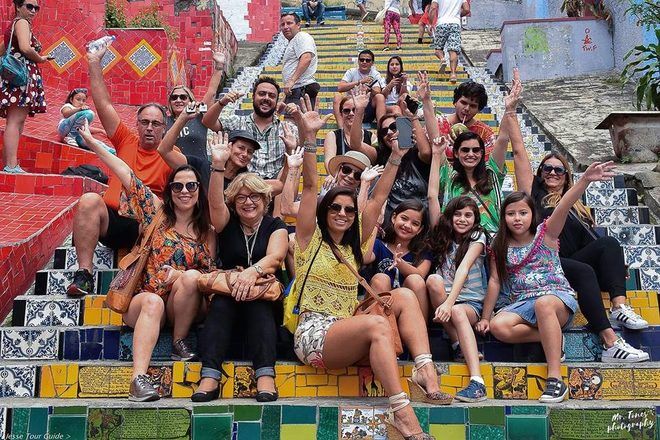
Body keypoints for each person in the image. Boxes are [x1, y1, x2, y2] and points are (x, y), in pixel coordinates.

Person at [292, 94, 449, 440]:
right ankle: (402, 415)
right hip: (314, 335)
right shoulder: (308, 239)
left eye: (349, 211)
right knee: (377, 324)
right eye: (336, 209)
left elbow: (377, 200)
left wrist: (395, 156)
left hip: (349, 326)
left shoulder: (356, 244)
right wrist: (309, 140)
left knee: (406, 297)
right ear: (324, 211)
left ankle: (425, 372)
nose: (343, 214)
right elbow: (310, 186)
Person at [77, 120, 214, 402]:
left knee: (188, 278)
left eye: (191, 186)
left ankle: (179, 340)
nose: (184, 191)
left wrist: (179, 276)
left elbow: (208, 273)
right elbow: (125, 172)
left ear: (200, 190)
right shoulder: (157, 212)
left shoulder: (206, 231)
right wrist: (93, 143)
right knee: (152, 301)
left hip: (182, 305)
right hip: (145, 302)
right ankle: (138, 380)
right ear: (170, 191)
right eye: (177, 187)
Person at [488, 161, 616, 403]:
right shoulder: (499, 245)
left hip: (555, 299)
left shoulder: (545, 234)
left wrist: (584, 180)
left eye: (523, 213)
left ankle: (555, 380)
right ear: (503, 217)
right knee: (499, 327)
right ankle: (552, 336)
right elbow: (495, 281)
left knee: (544, 304)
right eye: (511, 213)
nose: (517, 219)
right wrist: (486, 317)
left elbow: (565, 205)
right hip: (523, 304)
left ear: (532, 215)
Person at [513, 152, 649, 362]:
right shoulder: (534, 198)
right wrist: (511, 117)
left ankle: (619, 307)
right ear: (539, 174)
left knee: (609, 243)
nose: (552, 173)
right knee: (583, 271)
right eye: (547, 168)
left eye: (559, 170)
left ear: (566, 176)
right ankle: (609, 342)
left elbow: (591, 244)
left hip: (573, 263)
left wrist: (613, 267)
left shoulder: (580, 208)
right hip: (547, 264)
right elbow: (520, 155)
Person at [66, 42, 172, 297]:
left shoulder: (172, 156)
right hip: (111, 222)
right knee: (90, 199)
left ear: (164, 128)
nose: (149, 127)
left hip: (143, 229)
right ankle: (84, 274)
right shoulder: (125, 139)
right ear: (136, 123)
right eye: (144, 122)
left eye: (155, 124)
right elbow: (103, 104)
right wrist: (94, 63)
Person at [191, 133, 288, 403]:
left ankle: (265, 375)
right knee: (221, 306)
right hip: (229, 291)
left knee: (258, 306)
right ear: (233, 202)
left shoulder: (274, 226)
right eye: (242, 197)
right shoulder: (226, 222)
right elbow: (213, 204)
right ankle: (210, 376)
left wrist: (250, 273)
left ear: (265, 201)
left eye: (255, 196)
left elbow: (276, 258)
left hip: (263, 292)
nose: (249, 202)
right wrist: (218, 165)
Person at [421, 70, 524, 235]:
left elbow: (503, 139)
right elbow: (435, 143)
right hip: (457, 239)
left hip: (489, 238)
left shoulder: (491, 174)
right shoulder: (449, 176)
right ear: (456, 153)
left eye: (476, 150)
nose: (471, 154)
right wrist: (426, 100)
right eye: (465, 150)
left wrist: (510, 109)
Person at [427, 183, 493, 402]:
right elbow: (431, 197)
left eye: (468, 215)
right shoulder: (443, 236)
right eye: (458, 214)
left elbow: (464, 268)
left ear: (475, 219)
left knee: (456, 311)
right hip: (447, 298)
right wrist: (437, 156)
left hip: (470, 303)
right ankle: (458, 344)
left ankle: (477, 381)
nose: (463, 219)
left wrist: (448, 304)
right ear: (450, 216)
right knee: (433, 280)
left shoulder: (477, 237)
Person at [158, 107, 285, 195]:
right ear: (228, 146)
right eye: (241, 148)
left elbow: (279, 185)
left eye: (250, 152)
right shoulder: (202, 167)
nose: (245, 154)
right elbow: (165, 150)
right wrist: (183, 118)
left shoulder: (245, 180)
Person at [351, 86, 432, 221]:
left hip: (418, 223)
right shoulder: (380, 155)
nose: (389, 133)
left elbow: (427, 153)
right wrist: (359, 111)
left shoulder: (416, 153)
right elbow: (355, 144)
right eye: (384, 131)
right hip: (389, 224)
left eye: (393, 127)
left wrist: (412, 118)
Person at [202, 77, 298, 180]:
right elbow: (207, 122)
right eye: (262, 94)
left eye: (272, 96)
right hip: (242, 187)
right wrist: (222, 102)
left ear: (276, 101)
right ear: (253, 97)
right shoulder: (237, 122)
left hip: (277, 187)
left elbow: (305, 146)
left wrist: (299, 117)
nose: (266, 98)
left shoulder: (287, 129)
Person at [0, 0, 48, 173]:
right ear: (18, 7)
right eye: (29, 6)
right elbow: (26, 49)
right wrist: (40, 58)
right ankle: (11, 165)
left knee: (15, 121)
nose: (33, 10)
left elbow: (3, 49)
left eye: (36, 7)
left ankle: (8, 163)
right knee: (16, 121)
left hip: (15, 78)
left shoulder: (14, 26)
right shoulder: (22, 22)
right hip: (21, 77)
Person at [366, 199, 433, 316]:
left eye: (415, 223)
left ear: (420, 230)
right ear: (393, 218)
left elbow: (420, 274)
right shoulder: (379, 244)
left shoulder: (423, 250)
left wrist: (400, 263)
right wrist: (377, 223)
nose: (407, 225)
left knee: (415, 280)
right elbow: (365, 258)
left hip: (409, 311)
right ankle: (379, 328)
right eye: (404, 218)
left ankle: (420, 330)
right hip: (381, 305)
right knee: (381, 278)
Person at [164, 49, 226, 162]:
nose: (178, 100)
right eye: (174, 97)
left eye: (183, 97)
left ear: (190, 100)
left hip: (199, 171)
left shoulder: (200, 117)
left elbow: (211, 92)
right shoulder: (164, 121)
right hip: (173, 172)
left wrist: (219, 67)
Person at [333, 50, 384, 127]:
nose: (364, 62)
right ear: (358, 61)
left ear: (372, 63)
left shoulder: (375, 74)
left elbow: (378, 91)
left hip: (367, 108)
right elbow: (340, 87)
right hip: (351, 106)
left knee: (380, 97)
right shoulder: (351, 71)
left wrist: (369, 90)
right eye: (361, 60)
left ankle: (381, 130)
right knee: (337, 97)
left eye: (367, 60)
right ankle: (341, 130)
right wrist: (360, 82)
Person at [280, 13, 320, 108]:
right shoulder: (293, 41)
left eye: (289, 23)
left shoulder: (301, 36)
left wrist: (291, 81)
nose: (285, 27)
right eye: (282, 24)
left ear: (298, 25)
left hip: (301, 89)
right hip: (295, 90)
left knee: (295, 121)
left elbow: (306, 58)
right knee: (291, 121)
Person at [57, 88, 115, 154]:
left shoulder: (82, 113)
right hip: (63, 130)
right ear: (71, 99)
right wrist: (79, 109)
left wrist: (100, 131)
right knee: (89, 113)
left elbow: (82, 127)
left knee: (92, 142)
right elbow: (65, 114)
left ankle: (113, 153)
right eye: (78, 99)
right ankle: (71, 136)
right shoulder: (68, 106)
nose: (81, 102)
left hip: (77, 135)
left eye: (83, 100)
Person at [325, 94, 377, 168]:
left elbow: (376, 160)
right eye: (346, 111)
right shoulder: (332, 136)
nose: (351, 113)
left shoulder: (372, 137)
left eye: (355, 110)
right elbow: (329, 162)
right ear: (341, 114)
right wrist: (333, 174)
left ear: (362, 113)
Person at [429, 0, 469, 82]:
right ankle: (453, 74)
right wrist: (457, 15)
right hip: (455, 23)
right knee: (453, 50)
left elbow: (433, 7)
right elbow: (467, 9)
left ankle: (442, 59)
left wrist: (431, 23)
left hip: (441, 23)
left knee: (438, 49)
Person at [377, 55, 408, 122]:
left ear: (400, 67)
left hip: (400, 105)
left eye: (397, 64)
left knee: (404, 97)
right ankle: (401, 127)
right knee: (396, 108)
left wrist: (404, 82)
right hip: (386, 106)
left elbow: (404, 97)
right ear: (388, 67)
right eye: (392, 64)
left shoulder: (406, 81)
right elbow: (382, 96)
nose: (394, 67)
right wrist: (390, 85)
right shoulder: (383, 80)